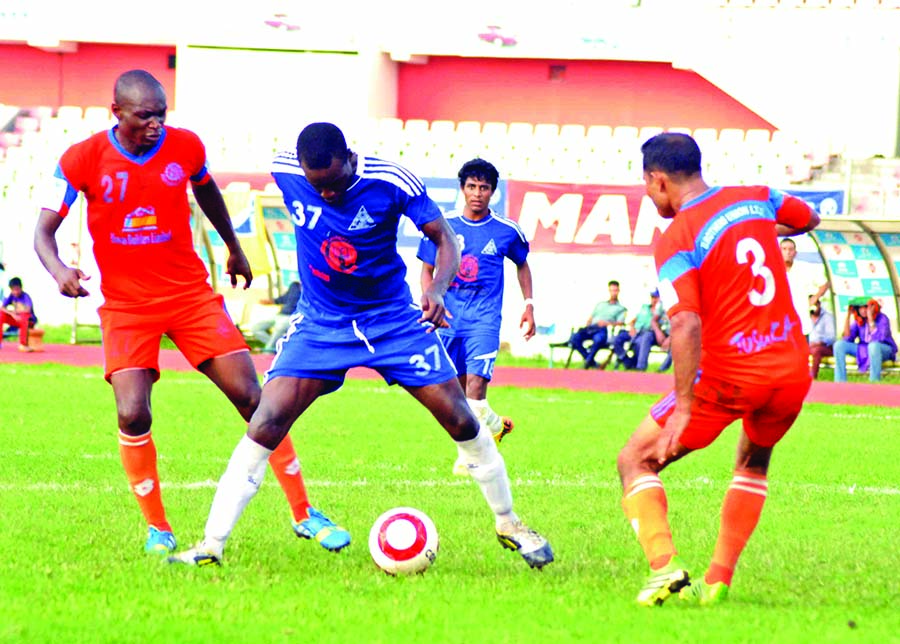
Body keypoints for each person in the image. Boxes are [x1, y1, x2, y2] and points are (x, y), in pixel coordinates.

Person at [167, 122, 553, 569]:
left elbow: (445, 237)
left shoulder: (391, 181)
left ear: (350, 157)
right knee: (265, 420)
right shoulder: (284, 168)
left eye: (334, 184)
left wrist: (439, 289)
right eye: (318, 188)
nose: (327, 194)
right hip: (321, 324)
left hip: (391, 320)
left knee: (459, 416)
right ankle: (210, 546)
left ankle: (509, 523)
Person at [33, 70, 347, 557]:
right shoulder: (81, 159)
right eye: (144, 116)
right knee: (132, 412)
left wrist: (233, 247)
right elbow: (43, 233)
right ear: (116, 112)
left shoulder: (185, 147)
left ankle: (305, 513)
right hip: (127, 305)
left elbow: (207, 193)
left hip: (189, 296)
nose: (156, 124)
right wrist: (59, 271)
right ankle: (158, 528)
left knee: (255, 398)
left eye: (161, 114)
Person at [616, 133, 819, 607]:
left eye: (647, 185)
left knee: (635, 460)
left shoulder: (676, 237)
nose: (649, 194)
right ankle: (718, 580)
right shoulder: (757, 198)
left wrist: (684, 407)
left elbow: (684, 322)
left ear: (658, 180)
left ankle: (664, 568)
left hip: (729, 374)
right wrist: (762, 231)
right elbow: (810, 218)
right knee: (753, 461)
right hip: (791, 369)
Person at [416, 158, 533, 477]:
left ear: (493, 192)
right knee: (454, 395)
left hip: (484, 320)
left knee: (476, 394)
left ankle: (469, 456)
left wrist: (529, 304)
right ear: (462, 189)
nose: (477, 193)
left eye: (484, 187)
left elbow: (522, 264)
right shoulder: (443, 226)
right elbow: (427, 270)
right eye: (472, 186)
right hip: (449, 319)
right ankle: (495, 427)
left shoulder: (507, 231)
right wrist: (432, 302)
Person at [833, 298, 897, 382]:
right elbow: (847, 338)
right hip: (864, 349)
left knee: (873, 346)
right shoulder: (859, 320)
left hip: (883, 349)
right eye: (860, 308)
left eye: (866, 307)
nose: (863, 310)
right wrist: (848, 315)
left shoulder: (882, 318)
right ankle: (840, 381)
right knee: (839, 345)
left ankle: (874, 381)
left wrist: (870, 318)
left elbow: (877, 338)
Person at [568, 280, 628, 369]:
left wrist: (607, 323)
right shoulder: (600, 305)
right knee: (574, 338)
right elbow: (591, 317)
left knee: (598, 339)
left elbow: (620, 323)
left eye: (615, 290)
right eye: (612, 290)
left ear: (618, 291)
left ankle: (588, 362)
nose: (613, 293)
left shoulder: (621, 309)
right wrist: (588, 323)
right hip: (591, 328)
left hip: (603, 329)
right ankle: (591, 362)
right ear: (609, 291)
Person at [780, 237, 829, 336]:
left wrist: (815, 298)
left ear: (795, 252)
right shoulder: (773, 269)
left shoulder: (804, 268)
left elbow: (825, 283)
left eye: (790, 249)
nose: (788, 252)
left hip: (801, 321)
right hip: (779, 322)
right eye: (784, 249)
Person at [613, 289, 665, 371]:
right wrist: (632, 328)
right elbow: (633, 321)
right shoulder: (644, 308)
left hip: (648, 333)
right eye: (652, 297)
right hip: (635, 331)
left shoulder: (661, 311)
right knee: (617, 339)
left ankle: (640, 367)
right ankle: (627, 362)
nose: (654, 300)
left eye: (656, 298)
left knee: (639, 342)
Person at [250, 280, 302, 354]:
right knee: (255, 328)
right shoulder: (294, 285)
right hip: (280, 315)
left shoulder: (308, 289)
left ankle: (268, 352)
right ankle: (278, 346)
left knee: (280, 327)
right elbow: (284, 298)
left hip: (291, 317)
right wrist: (272, 301)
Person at [1, 276, 38, 352]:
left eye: (17, 289)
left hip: (29, 321)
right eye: (14, 290)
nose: (16, 292)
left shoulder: (25, 296)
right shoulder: (11, 296)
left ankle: (23, 345)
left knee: (24, 316)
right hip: (16, 319)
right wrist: (12, 314)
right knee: (1, 314)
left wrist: (16, 312)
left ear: (21, 288)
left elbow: (28, 310)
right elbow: (2, 308)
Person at [808, 295, 835, 379]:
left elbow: (831, 337)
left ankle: (813, 377)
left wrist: (819, 342)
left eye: (815, 305)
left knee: (816, 350)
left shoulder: (827, 317)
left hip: (825, 347)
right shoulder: (807, 317)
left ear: (819, 304)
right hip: (809, 346)